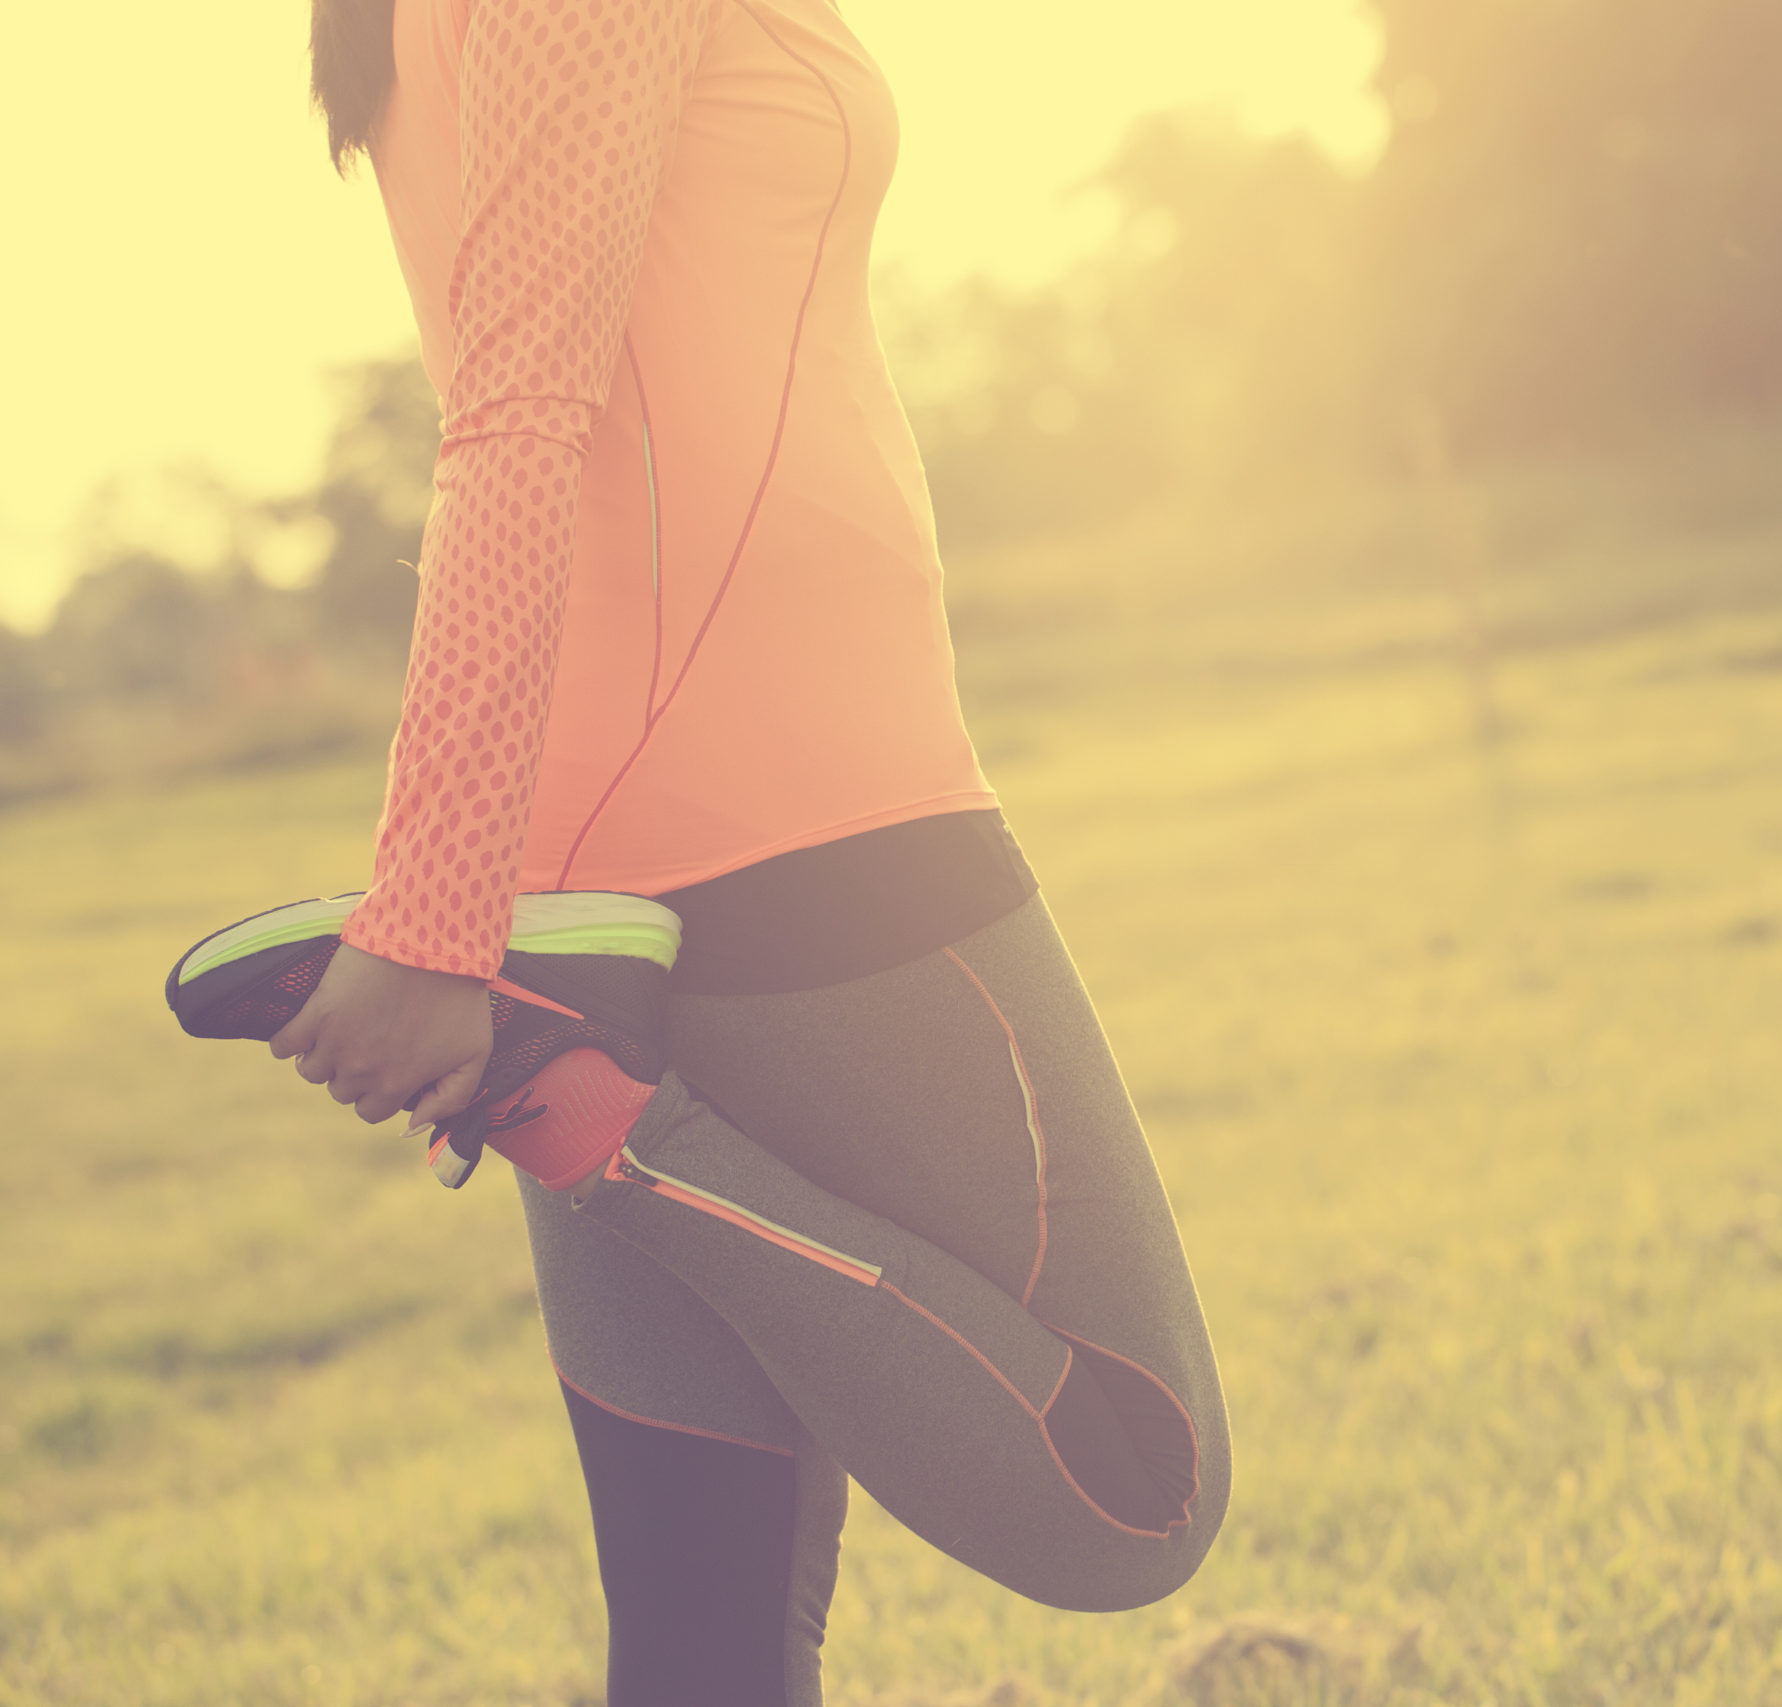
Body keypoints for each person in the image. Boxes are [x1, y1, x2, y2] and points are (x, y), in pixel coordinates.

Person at [173, 1, 1231, 1699]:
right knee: (1133, 1488)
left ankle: (570, 1096)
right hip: (799, 810)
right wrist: (433, 918)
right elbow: (515, 413)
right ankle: (582, 1113)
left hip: (605, 871)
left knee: (705, 1645)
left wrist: (475, 911)